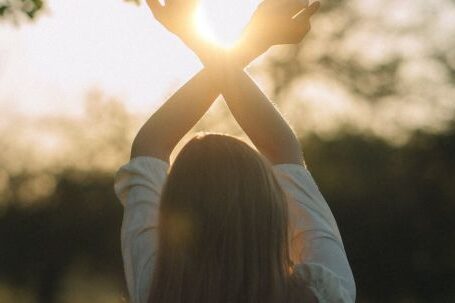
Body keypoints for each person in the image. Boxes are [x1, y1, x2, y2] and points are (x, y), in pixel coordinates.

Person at [114, 0, 356, 302]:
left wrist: (243, 41)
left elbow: (150, 144)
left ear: (174, 209)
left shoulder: (157, 289)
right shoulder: (323, 295)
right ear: (273, 211)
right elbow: (282, 149)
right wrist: (243, 39)